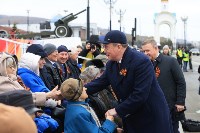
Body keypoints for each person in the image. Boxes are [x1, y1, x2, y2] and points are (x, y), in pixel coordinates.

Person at [85, 30, 173, 133]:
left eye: (107, 47)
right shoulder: (111, 64)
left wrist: (116, 110)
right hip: (131, 117)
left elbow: (139, 95)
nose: (104, 50)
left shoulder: (141, 61)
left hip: (150, 118)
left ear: (118, 46)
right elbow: (99, 83)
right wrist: (78, 90)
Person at [141, 39, 186, 133]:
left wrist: (180, 102)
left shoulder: (170, 61)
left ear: (156, 48)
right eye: (143, 51)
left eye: (147, 50)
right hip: (152, 108)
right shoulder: (144, 64)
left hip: (169, 106)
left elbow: (180, 82)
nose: (145, 53)